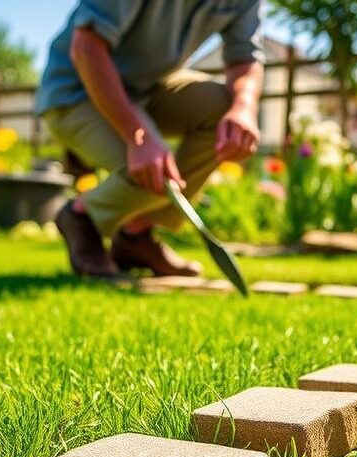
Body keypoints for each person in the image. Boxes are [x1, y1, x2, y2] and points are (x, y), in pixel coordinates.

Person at [38, 1, 265, 278]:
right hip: (75, 92)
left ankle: (136, 236)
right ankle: (81, 216)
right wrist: (138, 136)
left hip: (147, 88)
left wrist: (244, 107)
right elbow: (86, 47)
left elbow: (244, 57)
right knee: (151, 173)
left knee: (222, 109)